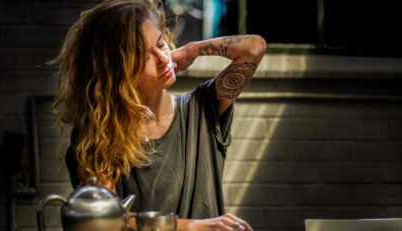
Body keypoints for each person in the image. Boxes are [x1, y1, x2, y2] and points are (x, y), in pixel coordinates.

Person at [50, 0, 266, 230]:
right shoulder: (99, 135)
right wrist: (190, 226)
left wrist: (191, 49)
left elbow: (253, 48)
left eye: (161, 44)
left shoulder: (204, 109)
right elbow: (106, 222)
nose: (163, 59)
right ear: (116, 71)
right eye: (145, 57)